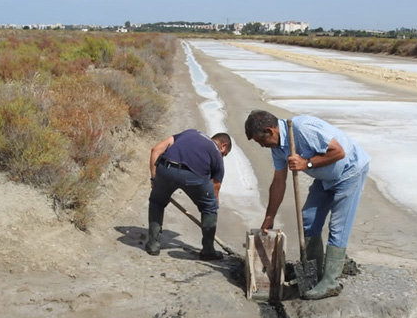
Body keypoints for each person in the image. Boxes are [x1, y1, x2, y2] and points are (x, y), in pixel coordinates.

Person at [244, 110, 370, 300]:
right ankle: (313, 273)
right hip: (324, 177)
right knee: (308, 219)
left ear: (270, 131)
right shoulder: (277, 148)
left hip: (349, 172)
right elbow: (279, 181)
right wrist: (269, 217)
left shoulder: (303, 129)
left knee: (338, 227)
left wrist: (306, 164)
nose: (261, 145)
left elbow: (338, 152)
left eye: (259, 140)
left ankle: (330, 282)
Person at [146, 129, 232, 260]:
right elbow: (216, 185)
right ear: (223, 146)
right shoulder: (216, 152)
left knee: (157, 202)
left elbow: (155, 149)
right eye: (225, 154)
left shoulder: (190, 133)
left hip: (166, 168)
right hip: (194, 176)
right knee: (210, 208)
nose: (223, 157)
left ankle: (153, 245)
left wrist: (154, 179)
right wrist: (212, 204)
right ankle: (208, 250)